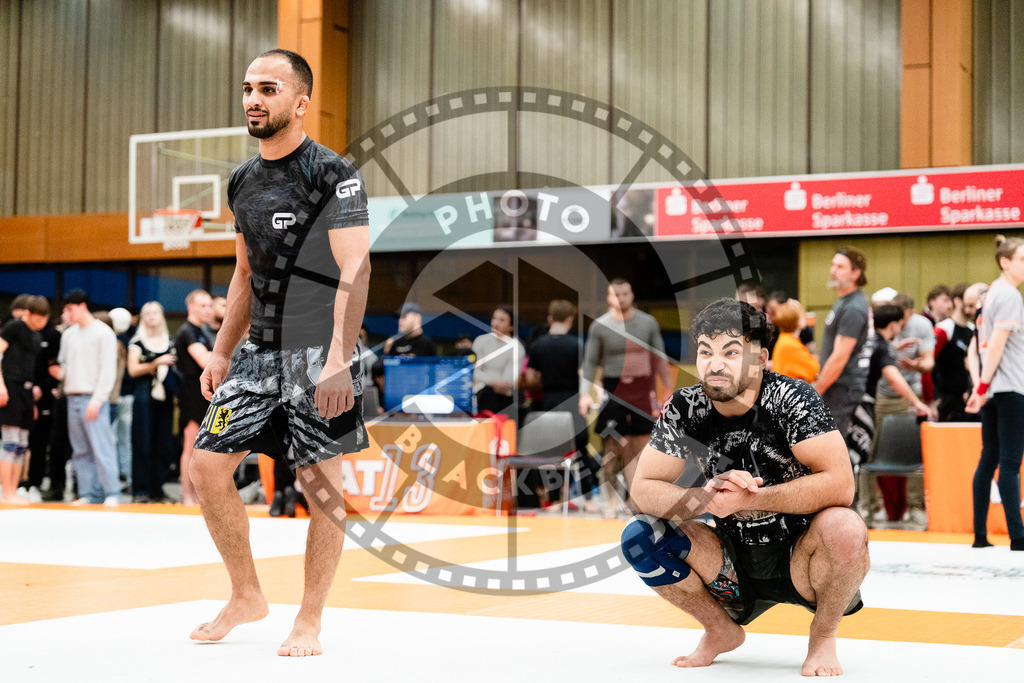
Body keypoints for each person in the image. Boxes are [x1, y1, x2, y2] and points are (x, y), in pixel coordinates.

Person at [188, 49, 371, 656]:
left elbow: (356, 267)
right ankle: (247, 594)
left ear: (300, 101)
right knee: (206, 465)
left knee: (321, 487)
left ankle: (309, 619)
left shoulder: (332, 173)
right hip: (258, 354)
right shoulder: (241, 179)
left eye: (268, 88)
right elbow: (243, 275)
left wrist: (340, 358)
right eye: (247, 88)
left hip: (320, 351)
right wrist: (220, 352)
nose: (252, 100)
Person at [624, 298, 868, 676]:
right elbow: (643, 489)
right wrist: (705, 499)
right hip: (728, 564)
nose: (714, 363)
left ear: (760, 358)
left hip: (801, 561)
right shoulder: (685, 407)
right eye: (705, 351)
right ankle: (720, 629)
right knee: (640, 534)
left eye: (730, 351)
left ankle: (823, 636)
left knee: (846, 527)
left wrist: (752, 497)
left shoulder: (792, 399)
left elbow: (841, 486)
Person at [580, 278, 673, 517]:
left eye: (624, 293)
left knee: (642, 448)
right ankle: (610, 501)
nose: (620, 298)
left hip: (643, 388)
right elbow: (590, 363)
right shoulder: (600, 326)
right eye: (615, 295)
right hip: (614, 389)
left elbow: (660, 358)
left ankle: (637, 500)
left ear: (631, 295)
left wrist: (668, 390)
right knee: (611, 448)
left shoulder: (647, 322)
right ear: (609, 298)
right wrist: (584, 394)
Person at [965, 235, 1024, 552]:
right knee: (1011, 462)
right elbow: (997, 343)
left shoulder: (988, 296)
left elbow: (976, 348)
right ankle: (1018, 536)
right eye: (1022, 259)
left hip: (992, 389)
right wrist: (983, 386)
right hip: (1010, 387)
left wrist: (980, 386)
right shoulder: (1009, 295)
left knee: (989, 458)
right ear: (1006, 261)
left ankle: (979, 535)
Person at [852, 304, 934, 527]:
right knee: (859, 457)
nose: (902, 327)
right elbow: (894, 377)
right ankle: (856, 512)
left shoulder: (869, 340)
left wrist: (894, 347)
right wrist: (917, 402)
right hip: (862, 403)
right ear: (893, 324)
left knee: (858, 458)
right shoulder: (882, 345)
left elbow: (876, 354)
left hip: (849, 402)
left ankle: (861, 511)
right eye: (900, 323)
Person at [523, 299, 600, 508]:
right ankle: (589, 499)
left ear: (550, 319)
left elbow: (531, 379)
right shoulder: (576, 345)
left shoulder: (537, 345)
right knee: (580, 451)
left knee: (552, 452)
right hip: (573, 401)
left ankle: (554, 499)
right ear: (570, 319)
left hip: (548, 402)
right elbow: (585, 376)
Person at [55, 289, 120, 506]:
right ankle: (89, 493)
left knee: (102, 447)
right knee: (80, 450)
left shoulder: (103, 333)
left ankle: (112, 492)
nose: (68, 314)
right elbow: (64, 364)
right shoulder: (68, 334)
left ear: (82, 306)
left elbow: (108, 371)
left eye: (70, 309)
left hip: (93, 397)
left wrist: (98, 399)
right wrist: (59, 373)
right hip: (72, 396)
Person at [813, 247, 872, 469]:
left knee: (834, 452)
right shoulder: (844, 302)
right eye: (833, 264)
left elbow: (840, 357)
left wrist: (817, 388)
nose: (832, 270)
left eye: (840, 266)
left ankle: (847, 503)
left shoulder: (854, 307)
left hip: (842, 388)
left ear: (855, 273)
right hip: (837, 387)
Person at [0, 296, 50, 503]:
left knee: (21, 444)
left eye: (44, 320)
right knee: (10, 442)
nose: (41, 323)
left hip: (27, 391)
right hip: (10, 386)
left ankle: (13, 489)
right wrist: (1, 386)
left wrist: (33, 401)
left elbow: (32, 369)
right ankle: (6, 492)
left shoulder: (37, 337)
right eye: (37, 319)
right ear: (28, 314)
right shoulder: (13, 327)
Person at [126, 302, 176, 503]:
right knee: (142, 441)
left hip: (165, 394)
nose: (152, 316)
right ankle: (141, 489)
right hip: (144, 393)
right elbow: (132, 370)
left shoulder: (169, 341)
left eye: (156, 312)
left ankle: (158, 487)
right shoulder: (137, 342)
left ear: (162, 316)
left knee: (163, 442)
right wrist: (155, 364)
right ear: (143, 317)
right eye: (148, 313)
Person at [174, 289, 214, 505]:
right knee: (191, 445)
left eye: (210, 305)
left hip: (202, 393)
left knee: (202, 448)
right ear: (191, 307)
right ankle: (188, 497)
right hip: (191, 392)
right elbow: (204, 361)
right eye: (203, 305)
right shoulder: (187, 331)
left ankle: (197, 496)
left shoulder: (201, 332)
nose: (208, 309)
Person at [933, 283, 979, 422]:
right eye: (970, 305)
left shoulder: (973, 329)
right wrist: (933, 399)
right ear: (958, 302)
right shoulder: (944, 329)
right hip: (948, 400)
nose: (974, 309)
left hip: (969, 398)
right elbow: (929, 364)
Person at [472, 305, 525, 415]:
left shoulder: (517, 348)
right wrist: (493, 382)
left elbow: (507, 385)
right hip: (480, 396)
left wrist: (484, 379)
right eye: (494, 318)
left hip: (503, 400)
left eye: (502, 320)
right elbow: (473, 371)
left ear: (512, 326)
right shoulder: (481, 341)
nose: (495, 323)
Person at [770, 299, 818, 383]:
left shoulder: (786, 340)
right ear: (796, 320)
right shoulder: (790, 345)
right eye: (802, 315)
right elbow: (814, 370)